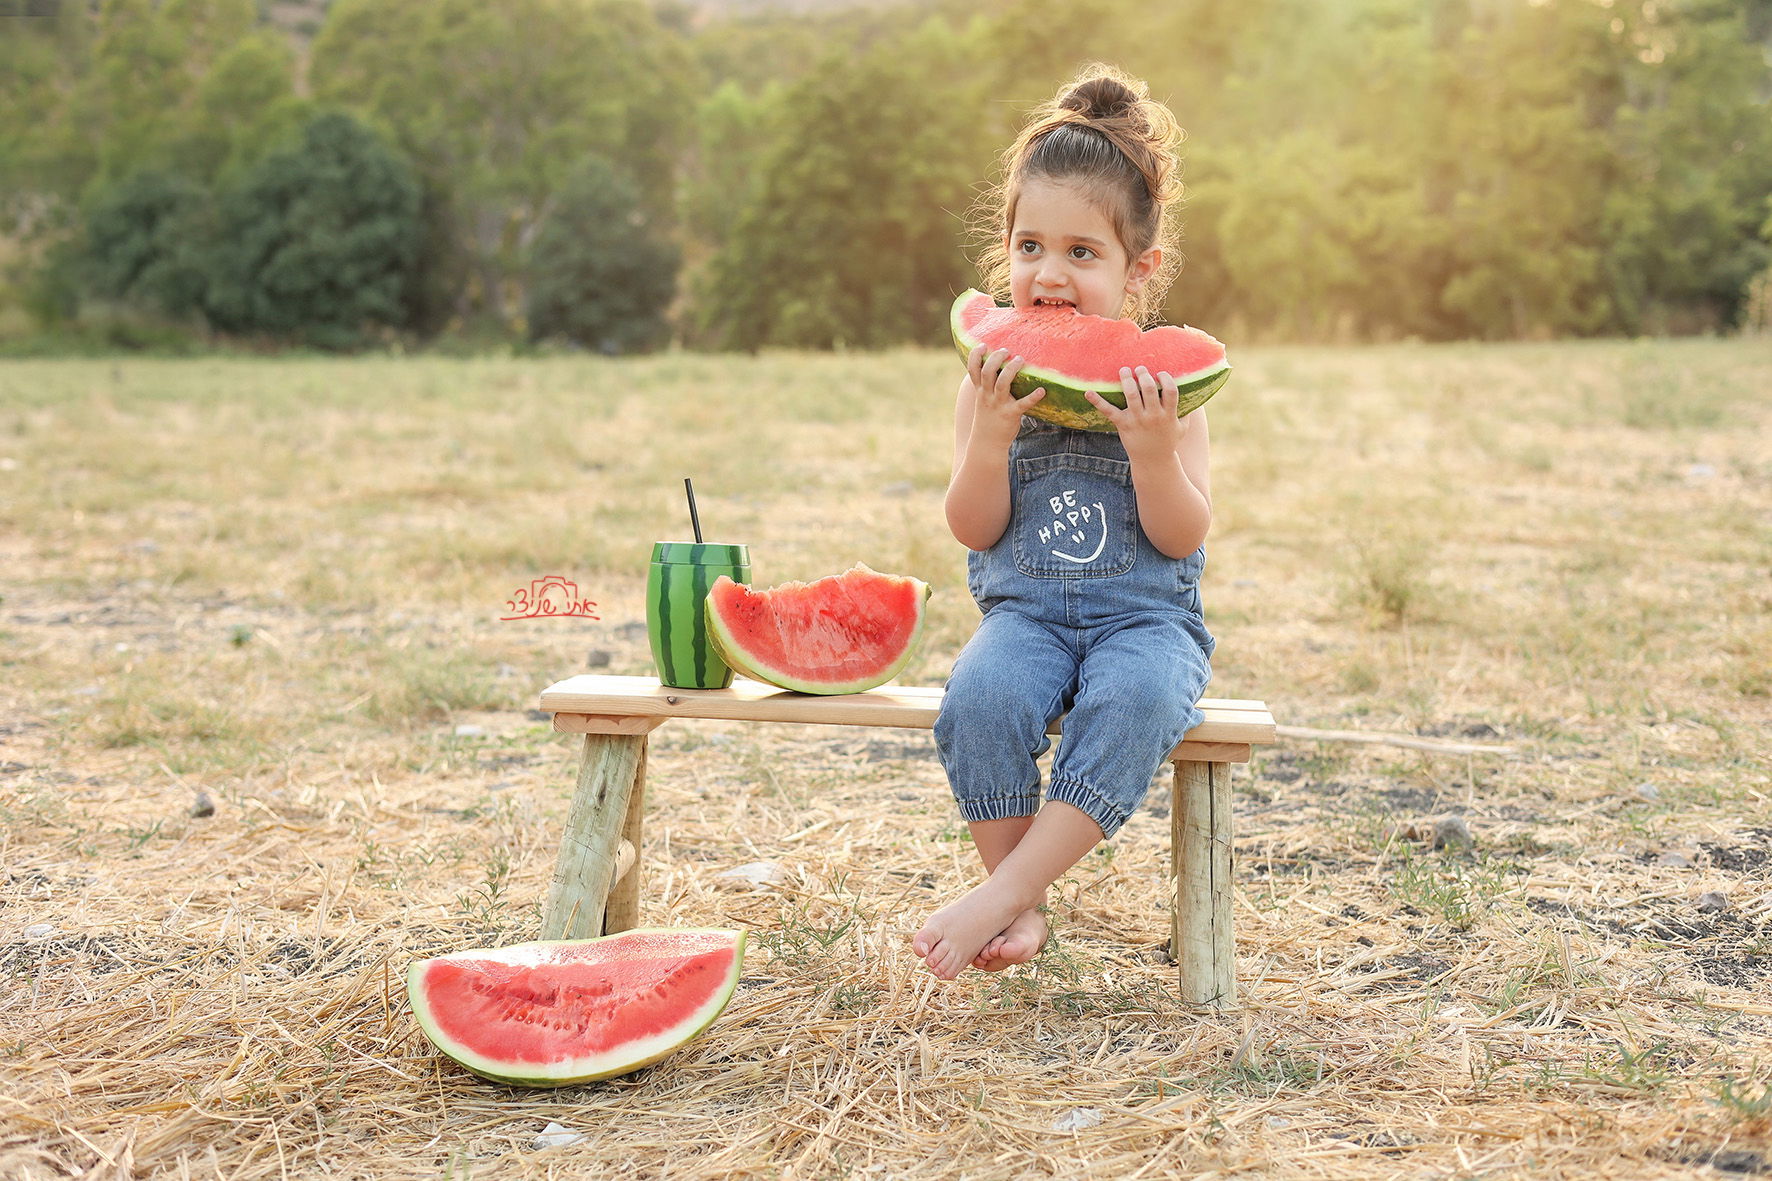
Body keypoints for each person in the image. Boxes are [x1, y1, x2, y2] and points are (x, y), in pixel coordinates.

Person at [912, 65, 1215, 980]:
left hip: (1145, 621)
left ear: (1140, 270)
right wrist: (991, 438)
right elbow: (971, 527)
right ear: (1003, 249)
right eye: (1030, 246)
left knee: (1141, 700)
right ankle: (1020, 897)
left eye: (1084, 254)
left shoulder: (1170, 392)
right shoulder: (990, 382)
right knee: (978, 701)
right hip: (1027, 618)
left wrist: (1155, 452)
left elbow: (1182, 537)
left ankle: (1001, 899)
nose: (1049, 273)